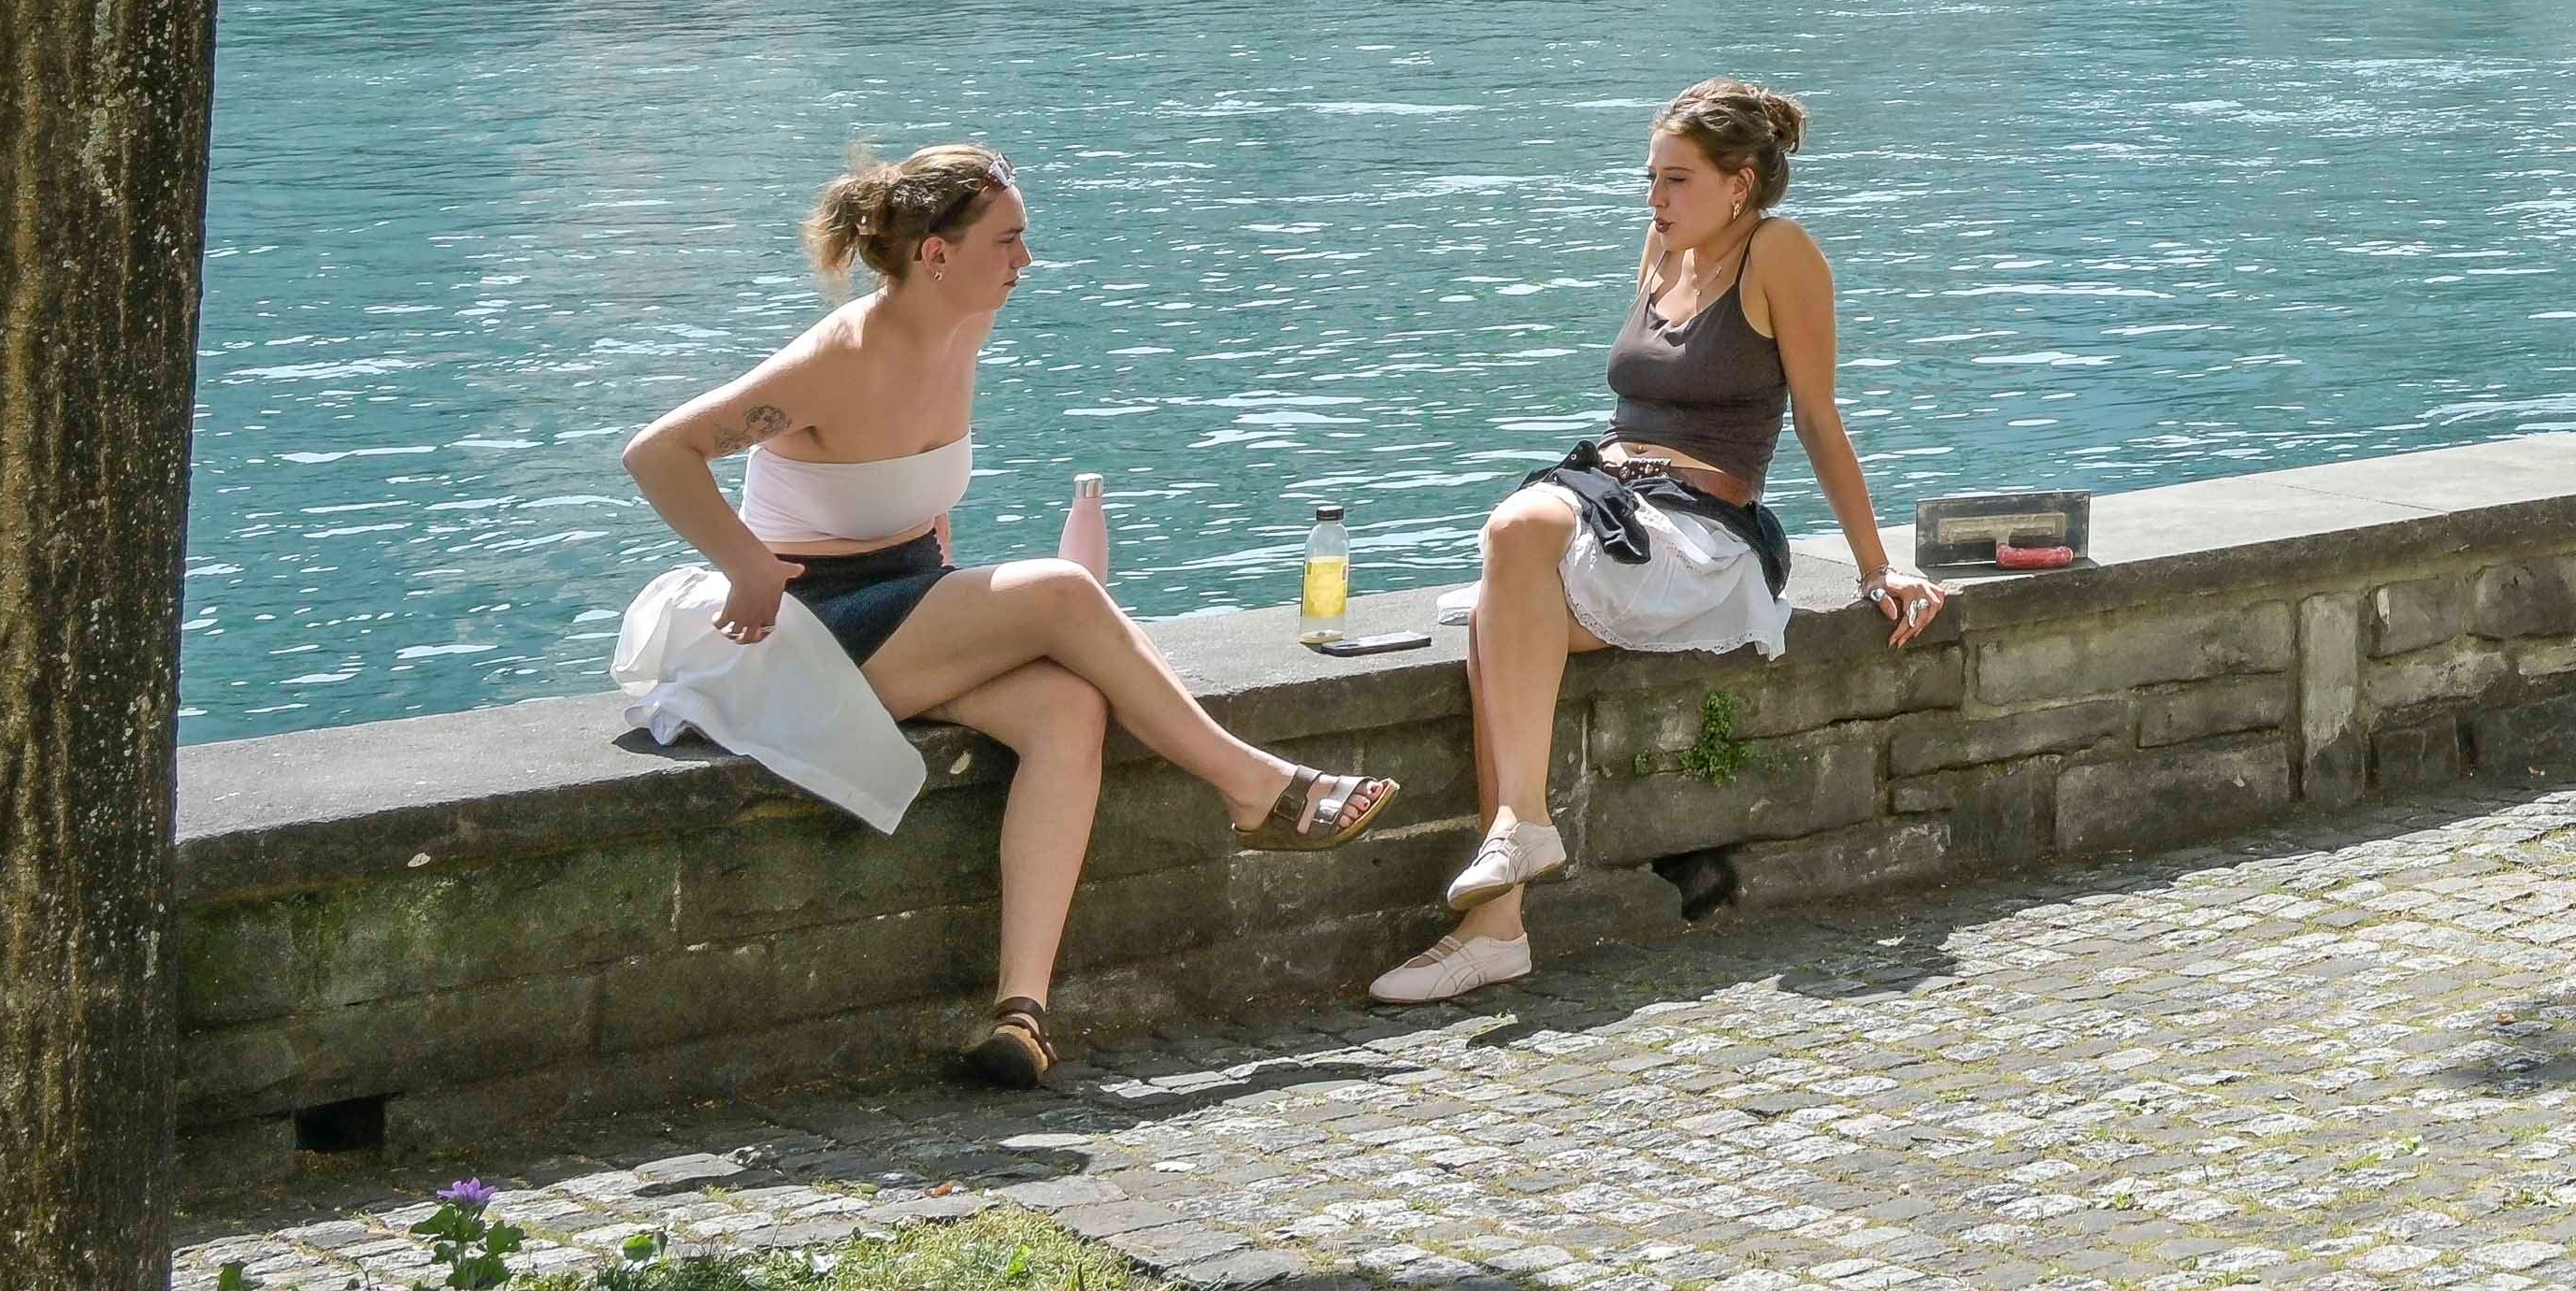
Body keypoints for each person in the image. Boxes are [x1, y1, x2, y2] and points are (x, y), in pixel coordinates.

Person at [619, 145, 1399, 1088]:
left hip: (902, 603)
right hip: (816, 626)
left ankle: (1019, 1013)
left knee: (1069, 708)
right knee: (1062, 591)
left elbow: (906, 492)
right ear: (936, 254)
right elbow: (660, 450)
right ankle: (1256, 789)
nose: (1026, 259)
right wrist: (744, 563)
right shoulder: (836, 356)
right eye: (1009, 239)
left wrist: (954, 590)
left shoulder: (965, 326)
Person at [1375, 82, 1961, 1008]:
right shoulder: (1662, 247)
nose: (1655, 196)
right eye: (1652, 176)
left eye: (1677, 178)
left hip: (1701, 533)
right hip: (1614, 503)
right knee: (1502, 606)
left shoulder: (1781, 251)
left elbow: (1816, 414)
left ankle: (1516, 846)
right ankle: (1496, 923)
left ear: (1739, 181)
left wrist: (1876, 561)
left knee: (1513, 530)